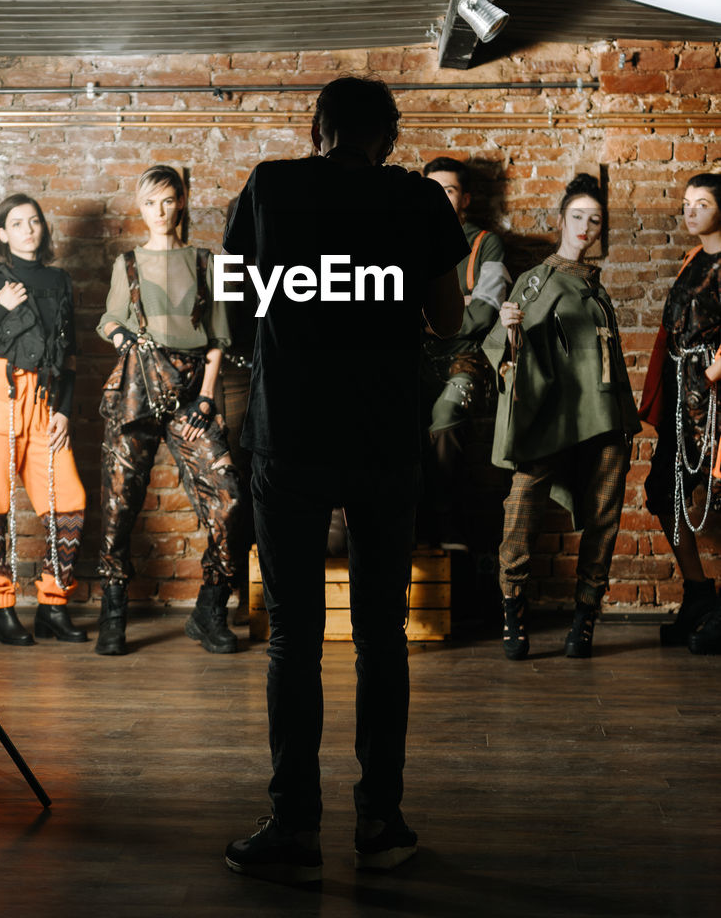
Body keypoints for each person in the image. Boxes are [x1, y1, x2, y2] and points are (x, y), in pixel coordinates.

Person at [223, 77, 467, 883]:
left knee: (293, 637)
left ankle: (294, 827)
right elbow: (447, 321)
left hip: (288, 434)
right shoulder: (419, 202)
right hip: (381, 437)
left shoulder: (269, 185)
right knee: (380, 634)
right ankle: (380, 824)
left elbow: (234, 313)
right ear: (388, 139)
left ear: (316, 126)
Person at [483, 173, 640, 661]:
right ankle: (513, 612)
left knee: (604, 518)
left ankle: (584, 619)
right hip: (553, 416)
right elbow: (506, 348)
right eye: (577, 217)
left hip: (607, 415)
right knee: (521, 507)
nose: (585, 227)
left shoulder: (597, 287)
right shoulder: (538, 280)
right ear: (561, 220)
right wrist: (508, 329)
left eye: (594, 220)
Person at [96, 164, 242, 656]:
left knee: (228, 499)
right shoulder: (128, 264)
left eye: (167, 200)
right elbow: (111, 318)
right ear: (141, 207)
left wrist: (206, 395)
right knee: (119, 502)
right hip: (138, 385)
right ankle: (113, 614)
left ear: (181, 202)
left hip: (191, 393)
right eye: (149, 202)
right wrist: (122, 337)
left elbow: (220, 337)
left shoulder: (208, 261)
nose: (159, 211)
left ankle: (210, 609)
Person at [0, 194, 87, 646]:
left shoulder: (60, 281)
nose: (29, 229)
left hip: (45, 402)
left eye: (34, 221)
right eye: (17, 223)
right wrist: (2, 306)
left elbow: (69, 356)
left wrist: (66, 411)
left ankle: (53, 606)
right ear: (2, 234)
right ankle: (0, 610)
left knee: (69, 502)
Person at [641, 171, 721, 653]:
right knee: (662, 492)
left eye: (704, 203)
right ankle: (698, 594)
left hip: (715, 399)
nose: (691, 210)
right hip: (681, 397)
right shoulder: (693, 259)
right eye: (688, 202)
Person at [419, 156, 510, 549]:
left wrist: (431, 315)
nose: (439, 197)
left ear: (466, 199)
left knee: (446, 416)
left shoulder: (484, 243)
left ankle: (443, 524)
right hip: (414, 358)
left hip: (464, 358)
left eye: (449, 190)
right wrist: (457, 304)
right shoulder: (405, 240)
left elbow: (484, 312)